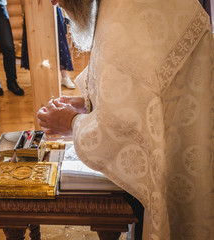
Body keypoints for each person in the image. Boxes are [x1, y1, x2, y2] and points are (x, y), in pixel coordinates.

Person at [38, 0, 214, 239]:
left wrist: (70, 123)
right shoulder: (120, 6)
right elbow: (140, 91)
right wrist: (88, 100)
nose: (54, 2)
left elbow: (122, 124)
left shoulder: (127, 13)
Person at [21, 6, 76, 89]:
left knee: (59, 41)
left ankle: (64, 77)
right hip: (32, 7)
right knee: (35, 41)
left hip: (52, 7)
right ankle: (38, 78)